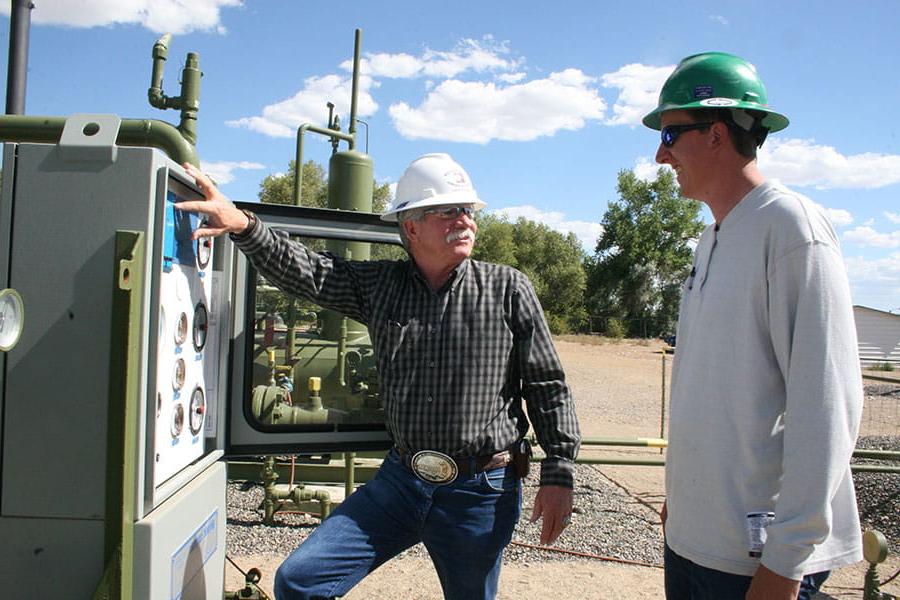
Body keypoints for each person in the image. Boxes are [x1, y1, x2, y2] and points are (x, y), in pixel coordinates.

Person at [179, 153, 581, 600]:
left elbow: (547, 384)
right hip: (403, 482)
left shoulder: (508, 288)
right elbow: (310, 272)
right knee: (299, 581)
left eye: (468, 210)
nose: (464, 220)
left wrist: (558, 471)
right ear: (411, 227)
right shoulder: (380, 287)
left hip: (480, 489)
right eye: (448, 211)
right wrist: (244, 225)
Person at [642, 52, 863, 599]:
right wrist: (684, 498)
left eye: (670, 135)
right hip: (697, 539)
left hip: (755, 560)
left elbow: (827, 404)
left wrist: (786, 562)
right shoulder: (711, 238)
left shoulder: (791, 229)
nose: (659, 155)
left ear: (716, 134)